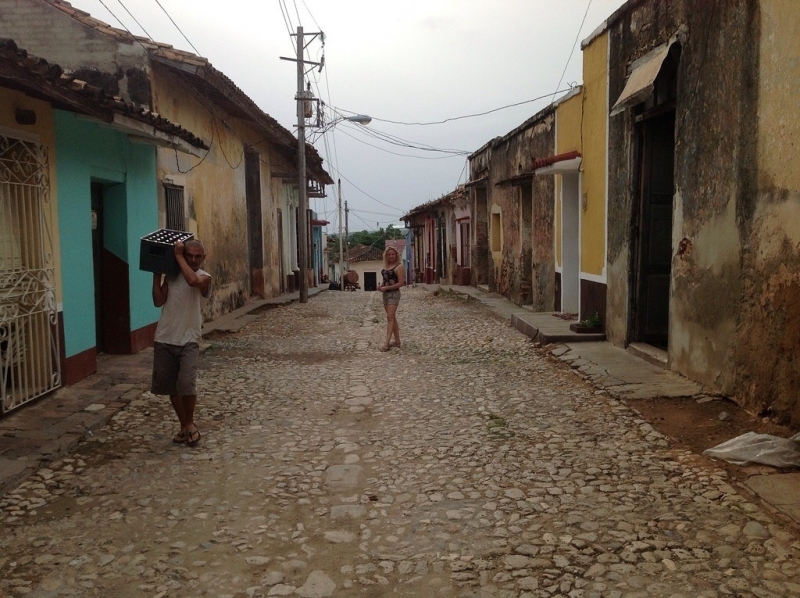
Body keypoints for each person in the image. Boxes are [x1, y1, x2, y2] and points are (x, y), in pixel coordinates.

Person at [151, 240, 212, 446]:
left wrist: (177, 257)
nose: (193, 259)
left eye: (197, 256)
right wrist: (156, 274)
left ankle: (190, 423)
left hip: (189, 339)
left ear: (204, 258)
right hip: (165, 337)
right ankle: (185, 426)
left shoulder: (205, 277)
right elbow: (158, 301)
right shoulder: (171, 276)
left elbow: (192, 281)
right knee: (172, 387)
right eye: (189, 256)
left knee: (186, 384)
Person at [378, 246, 405, 352]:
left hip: (394, 294)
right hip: (385, 294)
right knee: (392, 317)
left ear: (396, 255)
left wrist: (387, 288)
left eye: (393, 254)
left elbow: (401, 283)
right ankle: (397, 341)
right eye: (389, 254)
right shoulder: (387, 266)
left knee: (390, 318)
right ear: (386, 256)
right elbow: (386, 280)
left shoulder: (399, 267)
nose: (391, 256)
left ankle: (386, 343)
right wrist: (381, 287)